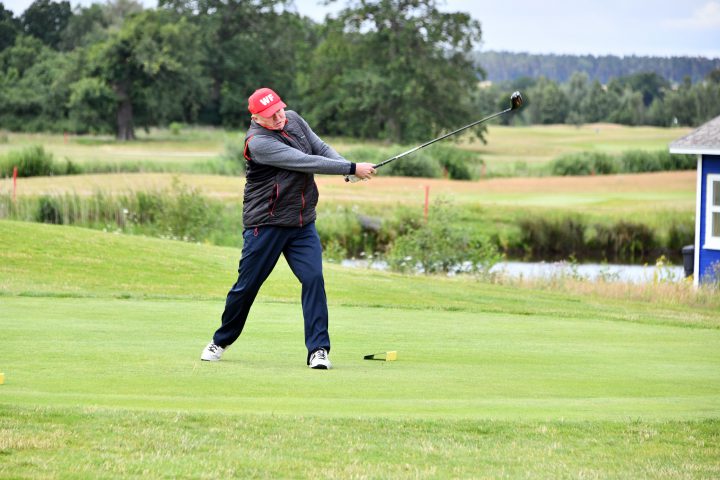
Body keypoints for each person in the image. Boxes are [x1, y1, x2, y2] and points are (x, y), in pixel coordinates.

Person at [200, 87, 376, 369]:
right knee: (247, 287)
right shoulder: (257, 143)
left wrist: (346, 167)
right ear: (257, 117)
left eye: (280, 110)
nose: (279, 117)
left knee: (313, 279)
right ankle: (220, 340)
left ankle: (318, 350)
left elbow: (320, 149)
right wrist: (351, 167)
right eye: (271, 116)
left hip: (302, 222)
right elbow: (305, 162)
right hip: (266, 224)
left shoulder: (293, 118)